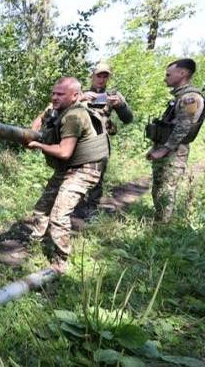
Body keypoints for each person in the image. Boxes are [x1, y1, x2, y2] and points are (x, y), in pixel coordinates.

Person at [26, 77, 109, 273]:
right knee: (41, 208)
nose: (54, 97)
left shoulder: (74, 116)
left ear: (75, 96)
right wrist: (47, 110)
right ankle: (35, 243)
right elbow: (33, 129)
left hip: (85, 169)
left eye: (60, 94)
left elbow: (64, 152)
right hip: (68, 167)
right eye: (53, 93)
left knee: (58, 215)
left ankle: (61, 261)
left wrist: (38, 145)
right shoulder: (59, 111)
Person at [145, 58, 204, 223]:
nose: (166, 78)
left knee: (166, 190)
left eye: (169, 74)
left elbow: (184, 127)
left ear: (183, 73)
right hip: (167, 149)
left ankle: (163, 229)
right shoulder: (181, 97)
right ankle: (160, 223)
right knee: (159, 188)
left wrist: (164, 149)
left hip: (174, 153)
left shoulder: (189, 98)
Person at [78, 62, 133, 215]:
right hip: (78, 141)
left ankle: (91, 210)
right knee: (74, 174)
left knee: (97, 176)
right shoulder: (80, 92)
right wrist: (80, 99)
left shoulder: (112, 95)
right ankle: (74, 206)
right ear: (92, 76)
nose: (101, 79)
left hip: (100, 141)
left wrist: (120, 105)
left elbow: (128, 119)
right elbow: (61, 109)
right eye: (99, 76)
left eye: (105, 76)